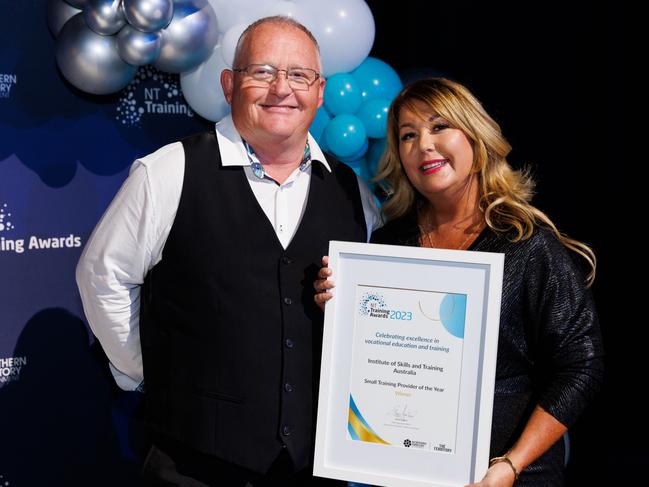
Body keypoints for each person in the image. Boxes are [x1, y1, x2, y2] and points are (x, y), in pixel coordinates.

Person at [76, 16, 380, 486]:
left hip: (312, 467)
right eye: (261, 71)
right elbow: (103, 277)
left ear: (319, 93)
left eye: (299, 75)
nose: (282, 88)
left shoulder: (351, 192)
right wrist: (153, 370)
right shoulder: (168, 172)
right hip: (191, 465)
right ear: (228, 83)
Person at [314, 78, 603, 487]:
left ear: (475, 137)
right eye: (408, 135)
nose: (424, 145)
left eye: (439, 127)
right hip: (404, 475)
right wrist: (340, 312)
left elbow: (582, 366)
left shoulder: (527, 245)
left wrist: (511, 465)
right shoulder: (388, 244)